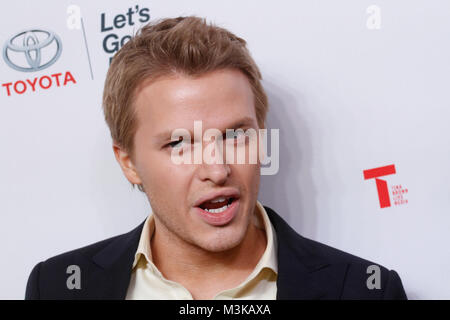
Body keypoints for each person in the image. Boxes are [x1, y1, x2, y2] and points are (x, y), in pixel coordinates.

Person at [25, 16, 407, 300]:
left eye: (236, 135)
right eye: (180, 144)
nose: (217, 169)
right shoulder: (57, 287)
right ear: (128, 163)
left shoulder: (366, 290)